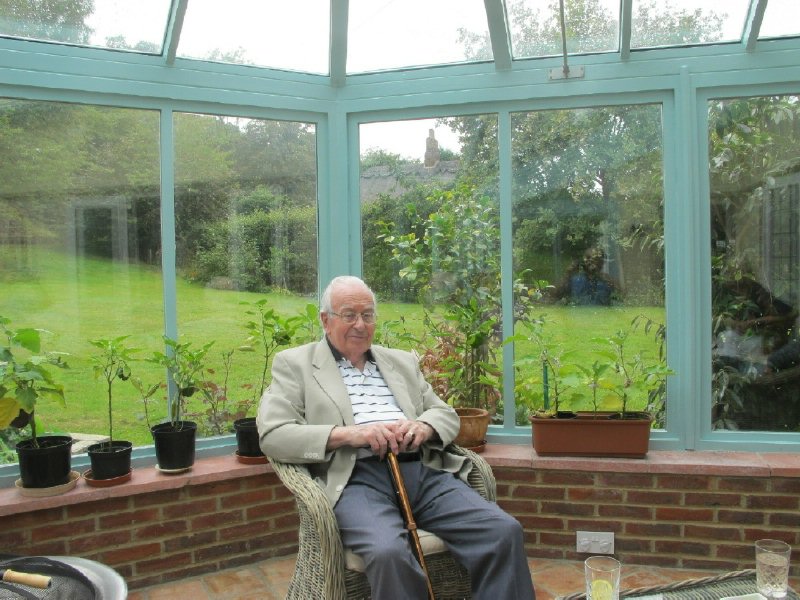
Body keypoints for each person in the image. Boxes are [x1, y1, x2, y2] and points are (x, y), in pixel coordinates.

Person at [257, 275, 535, 600]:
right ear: (325, 320)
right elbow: (274, 435)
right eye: (349, 315)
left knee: (503, 531)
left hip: (424, 472)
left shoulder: (400, 361)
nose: (360, 324)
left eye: (368, 315)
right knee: (388, 552)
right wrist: (350, 435)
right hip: (356, 480)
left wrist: (424, 427)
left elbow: (445, 414)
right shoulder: (295, 364)